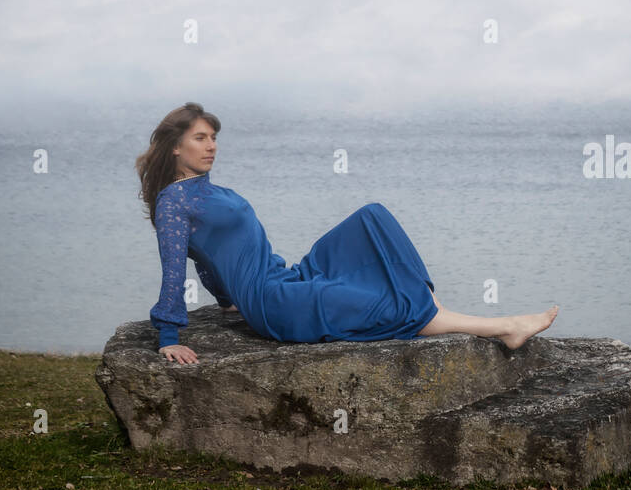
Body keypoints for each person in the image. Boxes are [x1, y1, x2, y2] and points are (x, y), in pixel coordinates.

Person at [137, 102, 559, 366]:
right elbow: (175, 267)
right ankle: (504, 327)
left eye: (213, 137)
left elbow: (207, 258)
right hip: (274, 302)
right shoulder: (174, 203)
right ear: (176, 147)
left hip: (289, 276)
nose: (211, 146)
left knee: (372, 219)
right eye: (200, 138)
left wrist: (228, 302)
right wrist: (169, 338)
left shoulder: (206, 191)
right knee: (379, 303)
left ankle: (430, 304)